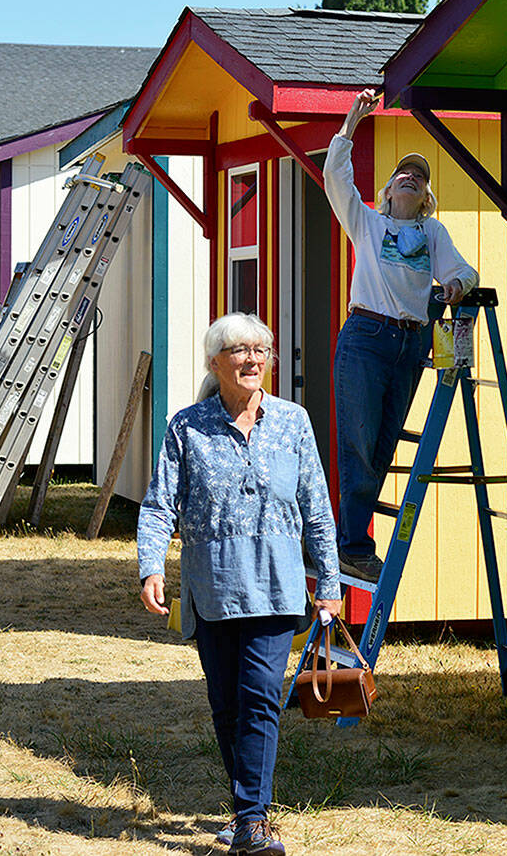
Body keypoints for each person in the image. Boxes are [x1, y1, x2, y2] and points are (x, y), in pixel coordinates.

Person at [137, 313, 341, 856]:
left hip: (277, 589)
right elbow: (160, 504)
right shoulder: (187, 427)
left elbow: (317, 507)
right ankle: (244, 808)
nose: (252, 359)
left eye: (261, 349)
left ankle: (253, 820)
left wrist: (330, 580)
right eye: (239, 351)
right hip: (214, 589)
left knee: (259, 700)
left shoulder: (293, 422)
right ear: (214, 363)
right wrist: (151, 566)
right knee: (225, 706)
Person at [324, 88, 479, 582]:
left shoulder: (432, 235)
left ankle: (352, 543)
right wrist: (351, 120)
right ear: (388, 192)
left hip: (411, 345)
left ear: (425, 199)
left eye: (420, 177)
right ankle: (352, 545)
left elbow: (464, 270)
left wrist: (454, 284)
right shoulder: (367, 224)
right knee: (359, 444)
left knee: (384, 446)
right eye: (402, 175)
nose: (410, 177)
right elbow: (335, 177)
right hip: (366, 338)